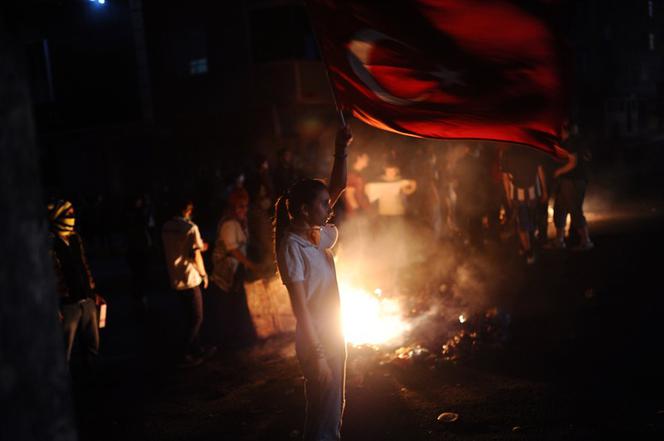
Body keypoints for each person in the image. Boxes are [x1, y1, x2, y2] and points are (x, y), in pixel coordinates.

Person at [274, 124, 351, 441]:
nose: (329, 208)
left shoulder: (312, 233)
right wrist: (318, 354)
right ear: (305, 210)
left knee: (324, 412)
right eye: (322, 204)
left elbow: (338, 187)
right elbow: (301, 309)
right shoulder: (293, 246)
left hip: (332, 333)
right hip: (318, 338)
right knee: (325, 419)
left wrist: (341, 149)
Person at [161, 197, 214, 367]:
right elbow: (195, 253)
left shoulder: (166, 227)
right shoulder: (191, 228)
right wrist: (204, 275)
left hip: (175, 278)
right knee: (197, 318)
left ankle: (197, 349)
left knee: (188, 316)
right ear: (187, 211)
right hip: (190, 278)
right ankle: (184, 353)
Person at [48, 199, 100, 368]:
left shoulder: (75, 238)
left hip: (87, 301)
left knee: (92, 344)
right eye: (68, 214)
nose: (72, 217)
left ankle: (91, 375)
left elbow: (84, 266)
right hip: (67, 304)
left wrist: (93, 293)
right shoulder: (49, 243)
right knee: (65, 348)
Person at [208, 188, 258, 347]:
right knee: (226, 306)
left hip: (234, 270)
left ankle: (237, 339)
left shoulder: (240, 222)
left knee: (235, 304)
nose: (244, 209)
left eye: (246, 206)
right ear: (232, 207)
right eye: (240, 206)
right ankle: (225, 343)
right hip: (225, 271)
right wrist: (250, 264)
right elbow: (233, 250)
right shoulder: (229, 224)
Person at [501, 146, 548, 264]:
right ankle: (528, 248)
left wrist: (508, 195)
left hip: (520, 194)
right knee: (527, 221)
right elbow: (540, 171)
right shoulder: (533, 150)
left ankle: (527, 248)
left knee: (523, 222)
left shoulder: (507, 153)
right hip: (529, 192)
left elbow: (505, 177)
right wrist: (544, 190)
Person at [551, 124, 594, 250]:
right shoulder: (566, 142)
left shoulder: (572, 142)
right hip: (567, 181)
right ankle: (559, 240)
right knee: (559, 209)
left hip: (574, 181)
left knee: (575, 210)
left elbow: (573, 162)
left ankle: (586, 241)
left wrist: (558, 172)